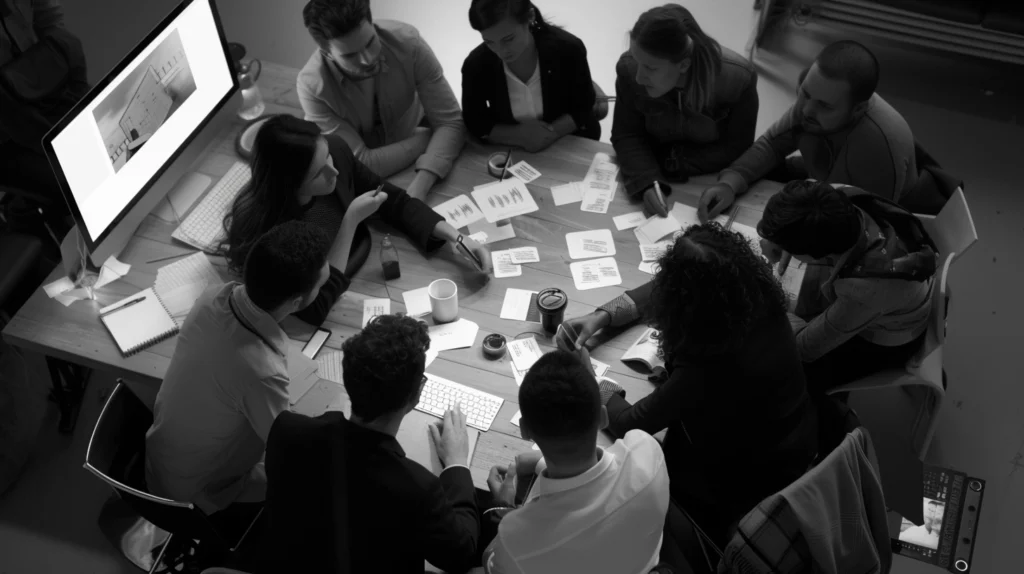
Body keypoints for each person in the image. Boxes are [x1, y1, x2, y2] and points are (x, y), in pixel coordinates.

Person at [556, 223, 818, 546]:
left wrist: (592, 380)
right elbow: (671, 289)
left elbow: (628, 423)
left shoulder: (709, 363)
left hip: (747, 474)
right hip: (795, 433)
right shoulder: (754, 295)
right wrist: (602, 315)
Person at [220, 115, 489, 327]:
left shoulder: (336, 151)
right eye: (318, 173)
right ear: (289, 184)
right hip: (335, 299)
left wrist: (458, 238)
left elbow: (394, 201)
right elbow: (315, 307)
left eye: (326, 156)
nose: (333, 170)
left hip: (360, 266)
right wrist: (350, 221)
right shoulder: (273, 235)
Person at [264, 315, 483, 573]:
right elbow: (461, 553)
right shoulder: (417, 489)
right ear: (415, 396)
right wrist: (457, 465)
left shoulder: (286, 430)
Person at [145, 221, 331, 520]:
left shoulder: (212, 297)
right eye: (321, 285)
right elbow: (284, 446)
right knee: (315, 483)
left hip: (163, 461)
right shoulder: (262, 372)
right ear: (297, 302)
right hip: (195, 495)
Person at [481, 350, 670, 573]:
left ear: (524, 431)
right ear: (602, 417)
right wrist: (540, 463)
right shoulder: (648, 453)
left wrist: (503, 510)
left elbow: (491, 564)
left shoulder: (516, 539)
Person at [698, 40, 917, 223]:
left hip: (866, 204)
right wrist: (729, 183)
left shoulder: (877, 146)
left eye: (825, 106)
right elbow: (773, 145)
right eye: (805, 93)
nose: (806, 109)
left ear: (857, 109)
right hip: (822, 177)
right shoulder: (815, 103)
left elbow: (872, 222)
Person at [757, 180, 937, 393]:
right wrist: (780, 237)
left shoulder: (864, 291)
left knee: (789, 373)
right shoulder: (840, 197)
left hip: (892, 337)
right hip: (903, 287)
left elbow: (803, 348)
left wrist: (770, 296)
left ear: (815, 253)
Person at [298, 0, 465, 200]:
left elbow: (451, 122)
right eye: (351, 55)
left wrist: (418, 190)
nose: (367, 59)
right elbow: (362, 164)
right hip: (386, 166)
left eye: (370, 42)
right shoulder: (312, 87)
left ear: (373, 24)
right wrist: (429, 137)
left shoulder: (409, 43)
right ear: (327, 53)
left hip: (421, 151)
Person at [612, 4, 758, 218]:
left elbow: (738, 146)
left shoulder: (738, 80)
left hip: (710, 181)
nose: (638, 77)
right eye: (637, 62)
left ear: (683, 65)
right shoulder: (628, 69)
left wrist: (675, 163)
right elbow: (627, 134)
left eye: (651, 68)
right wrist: (645, 180)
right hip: (655, 173)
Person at [461, 0, 600, 151]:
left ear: (530, 17)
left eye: (508, 39)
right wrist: (517, 135)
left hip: (572, 141)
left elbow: (584, 106)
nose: (500, 51)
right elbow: (474, 120)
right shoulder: (476, 64)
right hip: (513, 149)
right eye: (489, 42)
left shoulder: (568, 49)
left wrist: (550, 133)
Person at [0, 0, 87, 225]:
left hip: (46, 89)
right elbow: (15, 120)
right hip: (8, 134)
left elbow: (52, 24)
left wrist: (79, 89)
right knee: (76, 180)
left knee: (112, 135)